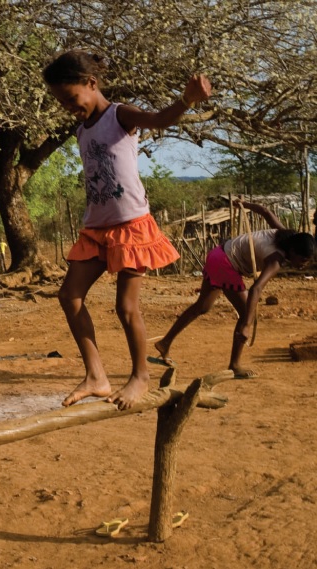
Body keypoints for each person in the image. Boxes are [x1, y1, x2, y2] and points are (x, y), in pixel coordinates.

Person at [42, 50, 212, 410]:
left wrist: (186, 100)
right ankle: (96, 376)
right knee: (69, 296)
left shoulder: (120, 114)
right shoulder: (81, 130)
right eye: (61, 102)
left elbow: (159, 119)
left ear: (91, 84)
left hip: (131, 227)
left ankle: (140, 376)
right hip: (97, 229)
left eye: (71, 98)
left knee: (126, 307)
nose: (68, 107)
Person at [153, 199, 316, 378]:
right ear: (292, 250)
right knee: (247, 311)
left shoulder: (284, 234)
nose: (302, 265)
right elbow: (256, 289)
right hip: (225, 263)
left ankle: (165, 343)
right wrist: (246, 324)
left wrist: (244, 203)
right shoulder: (275, 260)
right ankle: (235, 365)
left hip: (217, 254)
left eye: (306, 262)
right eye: (302, 260)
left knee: (203, 307)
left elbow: (264, 211)